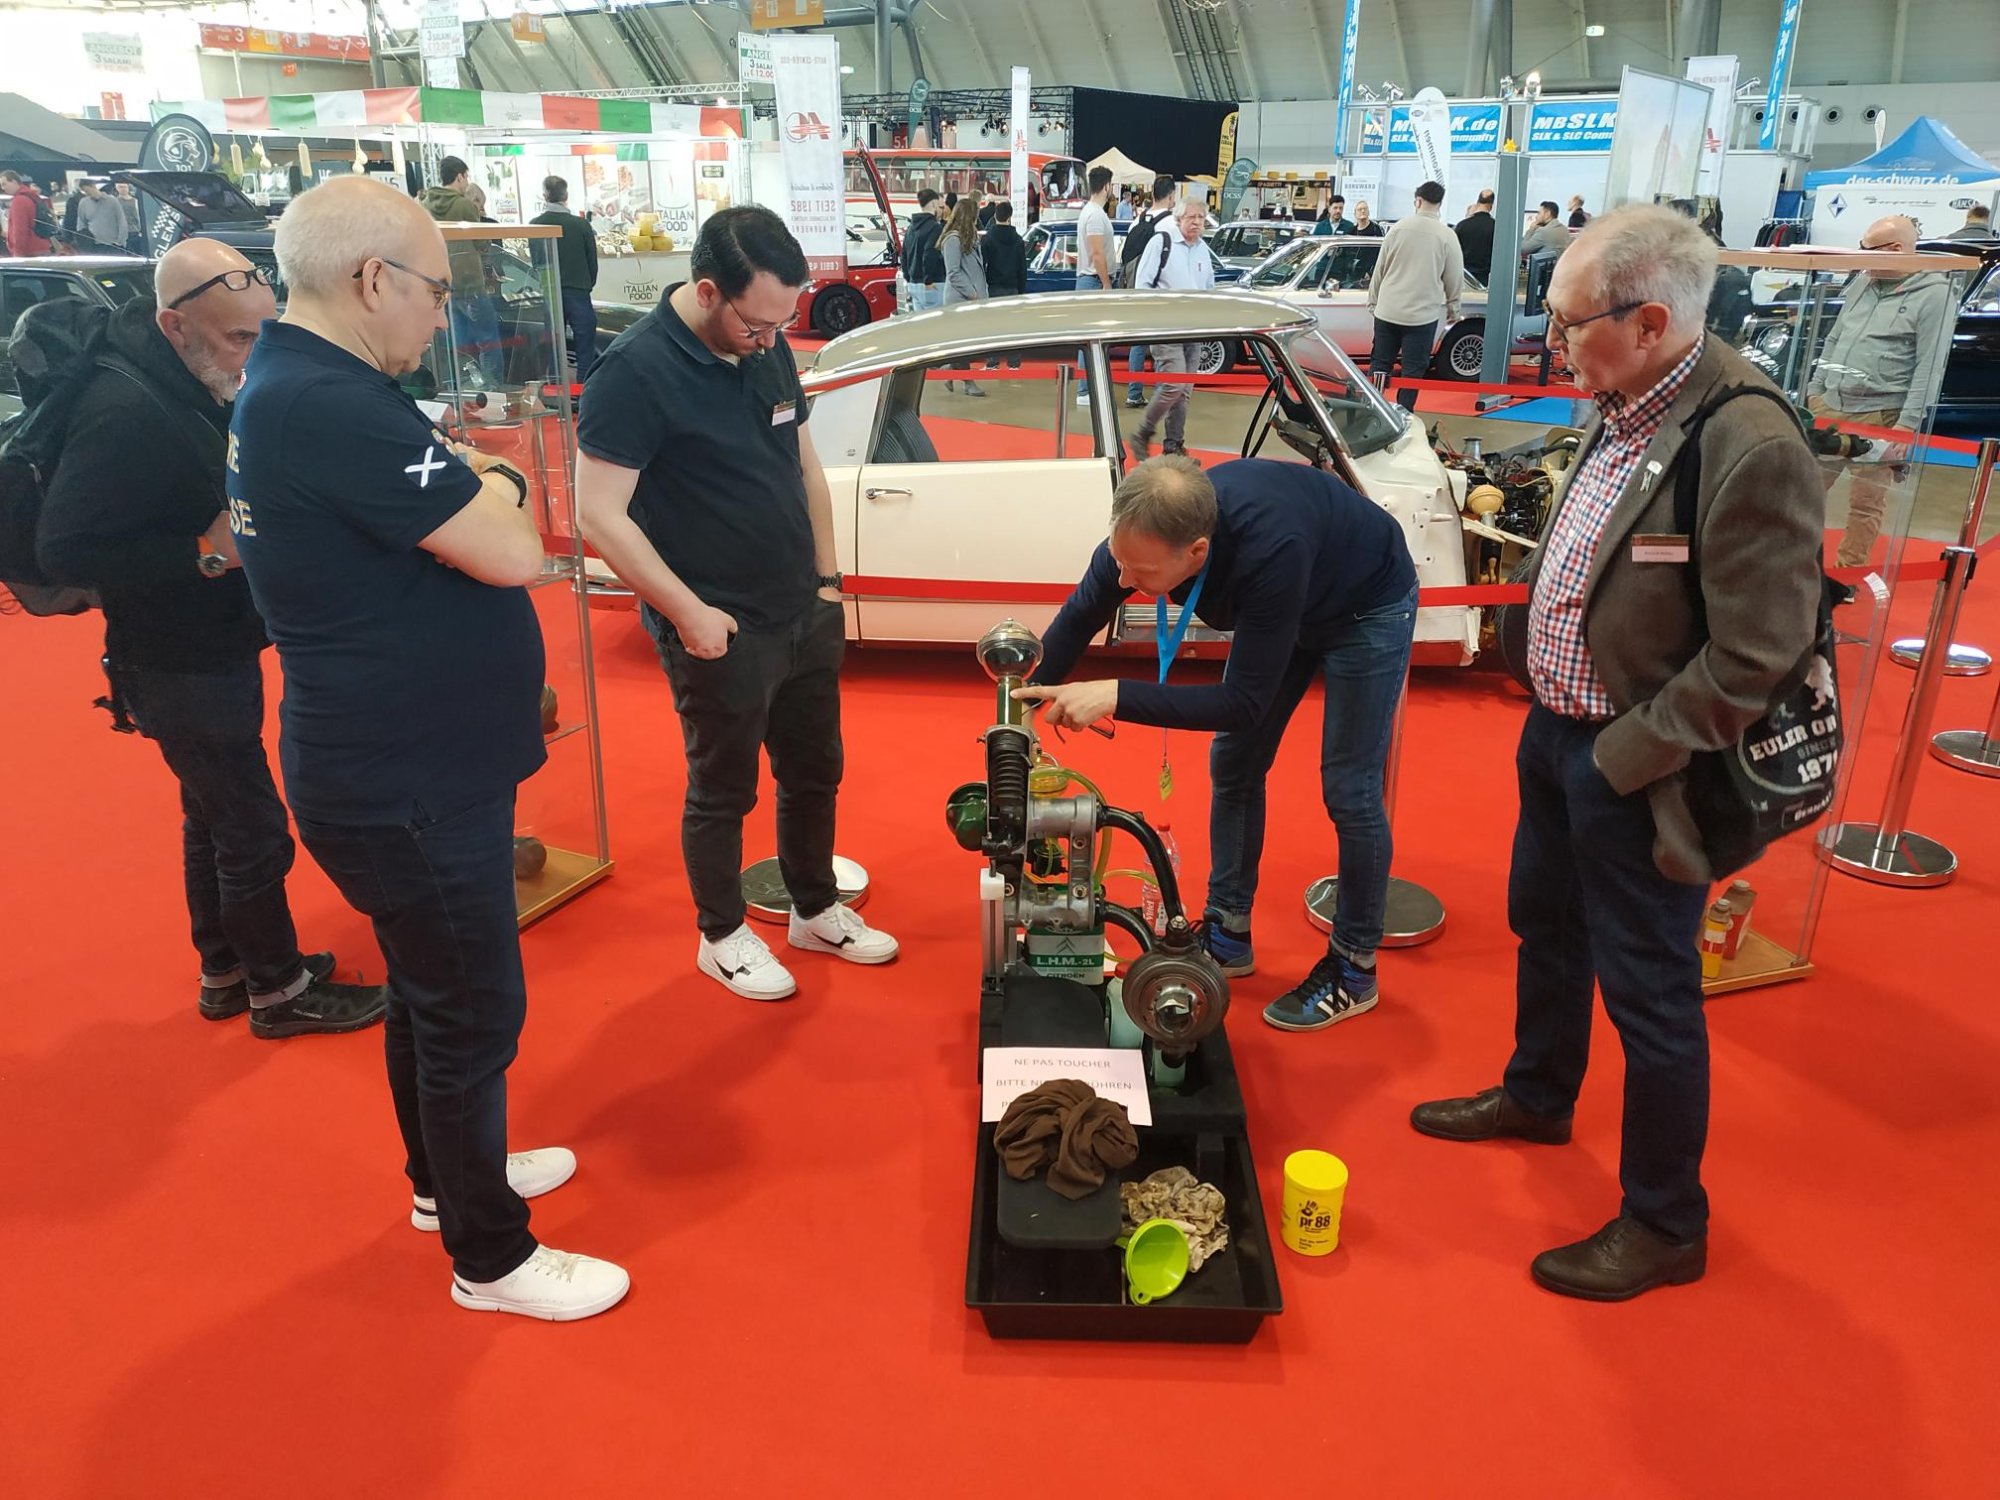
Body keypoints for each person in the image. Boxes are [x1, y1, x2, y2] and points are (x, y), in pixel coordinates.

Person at [229, 177, 627, 1320]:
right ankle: (489, 1256)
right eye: (436, 291)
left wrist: (482, 491)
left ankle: (443, 1181)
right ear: (371, 280)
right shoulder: (330, 403)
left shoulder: (307, 386)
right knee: (470, 1013)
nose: (441, 313)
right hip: (407, 777)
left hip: (400, 762)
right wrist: (499, 480)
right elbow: (513, 550)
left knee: (429, 991)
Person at [1411, 205, 1826, 1301]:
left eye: (1568, 321)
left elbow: (1762, 653)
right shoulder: (1625, 397)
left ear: (1649, 322)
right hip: (1558, 732)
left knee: (1649, 992)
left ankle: (1665, 1221)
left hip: (1639, 765)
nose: (1550, 340)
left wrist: (1626, 754)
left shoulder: (1748, 441)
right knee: (1544, 929)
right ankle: (1538, 1095)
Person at [35, 238, 387, 1038]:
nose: (253, 355)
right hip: (178, 661)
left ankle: (226, 968)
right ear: (175, 325)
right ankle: (278, 990)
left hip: (204, 648)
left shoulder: (178, 379)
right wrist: (203, 552)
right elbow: (65, 551)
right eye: (238, 339)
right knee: (252, 828)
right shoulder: (123, 411)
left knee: (214, 816)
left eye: (265, 334)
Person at [574, 206, 899, 1002]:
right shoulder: (634, 372)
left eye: (782, 323)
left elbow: (803, 464)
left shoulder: (767, 345)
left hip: (801, 605)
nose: (770, 338)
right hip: (717, 624)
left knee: (814, 770)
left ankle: (814, 908)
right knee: (723, 788)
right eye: (757, 324)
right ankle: (720, 935)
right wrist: (688, 613)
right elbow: (598, 515)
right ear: (708, 291)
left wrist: (827, 580)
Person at [1017, 455, 1418, 1031]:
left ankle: (1354, 969)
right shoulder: (1145, 533)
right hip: (1287, 598)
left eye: (1141, 572)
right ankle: (1229, 933)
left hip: (1365, 605)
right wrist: (1024, 706)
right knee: (1234, 761)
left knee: (1349, 789)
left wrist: (1115, 694)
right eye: (1119, 561)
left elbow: (1242, 704)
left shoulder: (1270, 549)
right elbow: (1082, 613)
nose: (1124, 580)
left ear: (1197, 551)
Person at [1806, 213, 1954, 567]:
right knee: (1804, 492)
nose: (1862, 256)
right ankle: (1796, 563)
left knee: (1866, 503)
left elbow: (1929, 365)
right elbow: (1836, 337)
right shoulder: (1863, 282)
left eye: (1868, 249)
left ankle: (1849, 571)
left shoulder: (1935, 295)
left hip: (1880, 415)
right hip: (1830, 407)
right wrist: (1816, 389)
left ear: (1897, 249)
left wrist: (1906, 425)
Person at [1127, 198, 1216, 458]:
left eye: (1201, 217)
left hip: (1195, 329)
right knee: (1174, 385)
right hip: (1166, 328)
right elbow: (1143, 285)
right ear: (1178, 219)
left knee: (1184, 392)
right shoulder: (1161, 242)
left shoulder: (1202, 249)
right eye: (1191, 217)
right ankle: (1143, 432)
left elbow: (1208, 288)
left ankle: (1174, 445)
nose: (1197, 222)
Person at [1368, 180, 1463, 409]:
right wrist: (1454, 308)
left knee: (1380, 365)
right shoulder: (1447, 235)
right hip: (1422, 317)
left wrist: (1373, 302)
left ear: (1417, 201)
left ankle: (1373, 410)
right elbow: (1454, 276)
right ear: (1439, 204)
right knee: (1413, 371)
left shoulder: (1398, 228)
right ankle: (1405, 414)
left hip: (1388, 310)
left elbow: (1380, 269)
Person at [418, 155, 501, 383]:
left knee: (457, 343)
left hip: (442, 285)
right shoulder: (464, 205)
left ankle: (461, 385)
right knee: (489, 340)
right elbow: (481, 243)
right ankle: (493, 386)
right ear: (460, 176)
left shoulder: (424, 206)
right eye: (466, 176)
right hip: (470, 284)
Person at [530, 174, 601, 382]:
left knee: (553, 343)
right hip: (578, 290)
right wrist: (587, 284)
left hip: (551, 290)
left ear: (545, 195)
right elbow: (592, 262)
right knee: (585, 343)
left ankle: (555, 387)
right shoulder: (581, 225)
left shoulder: (536, 225)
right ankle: (585, 386)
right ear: (566, 195)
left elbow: (536, 262)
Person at [1122, 173, 1179, 407]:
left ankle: (1134, 393)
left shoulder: (1138, 220)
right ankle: (1159, 395)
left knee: (1138, 344)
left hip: (1137, 289)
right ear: (1172, 196)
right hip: (1160, 292)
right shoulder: (1171, 225)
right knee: (1161, 345)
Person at [1073, 165, 1117, 405]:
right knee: (1091, 341)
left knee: (1092, 341)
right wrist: (1107, 283)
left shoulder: (1091, 212)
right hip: (1094, 281)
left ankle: (1088, 390)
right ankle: (1084, 391)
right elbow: (1097, 254)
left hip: (1091, 280)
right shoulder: (1095, 215)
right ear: (1107, 186)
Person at [940, 195, 989, 397]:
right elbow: (953, 272)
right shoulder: (953, 239)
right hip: (960, 299)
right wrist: (973, 292)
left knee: (964, 343)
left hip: (970, 300)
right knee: (963, 344)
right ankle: (968, 383)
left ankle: (950, 371)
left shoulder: (969, 237)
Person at [980, 199, 1028, 372]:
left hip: (993, 287)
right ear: (1010, 217)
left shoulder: (987, 239)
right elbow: (1022, 268)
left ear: (995, 216)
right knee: (1013, 327)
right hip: (1012, 287)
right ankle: (1014, 362)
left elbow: (982, 264)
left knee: (992, 326)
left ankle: (992, 362)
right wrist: (1022, 291)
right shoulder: (1018, 240)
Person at [900, 187, 943, 312]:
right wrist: (928, 280)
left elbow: (904, 255)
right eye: (939, 206)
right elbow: (930, 252)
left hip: (914, 284)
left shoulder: (911, 227)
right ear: (934, 204)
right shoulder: (935, 227)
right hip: (931, 284)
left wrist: (908, 278)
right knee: (935, 321)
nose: (940, 210)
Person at [3, 169, 53, 256]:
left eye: (4, 184)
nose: (3, 188)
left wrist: (18, 254)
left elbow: (19, 230)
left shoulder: (19, 201)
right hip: (42, 246)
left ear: (14, 181)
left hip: (29, 251)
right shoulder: (33, 196)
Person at [72, 178, 128, 254]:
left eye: (88, 191)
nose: (87, 194)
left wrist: (121, 242)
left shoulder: (112, 201)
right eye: (85, 192)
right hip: (94, 246)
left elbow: (122, 222)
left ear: (93, 186)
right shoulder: (83, 203)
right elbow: (81, 224)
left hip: (113, 245)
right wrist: (83, 243)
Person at [1454, 187, 1496, 283]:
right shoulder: (1496, 227)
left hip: (1464, 277)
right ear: (1491, 205)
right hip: (1485, 278)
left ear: (1477, 202)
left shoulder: (1462, 225)